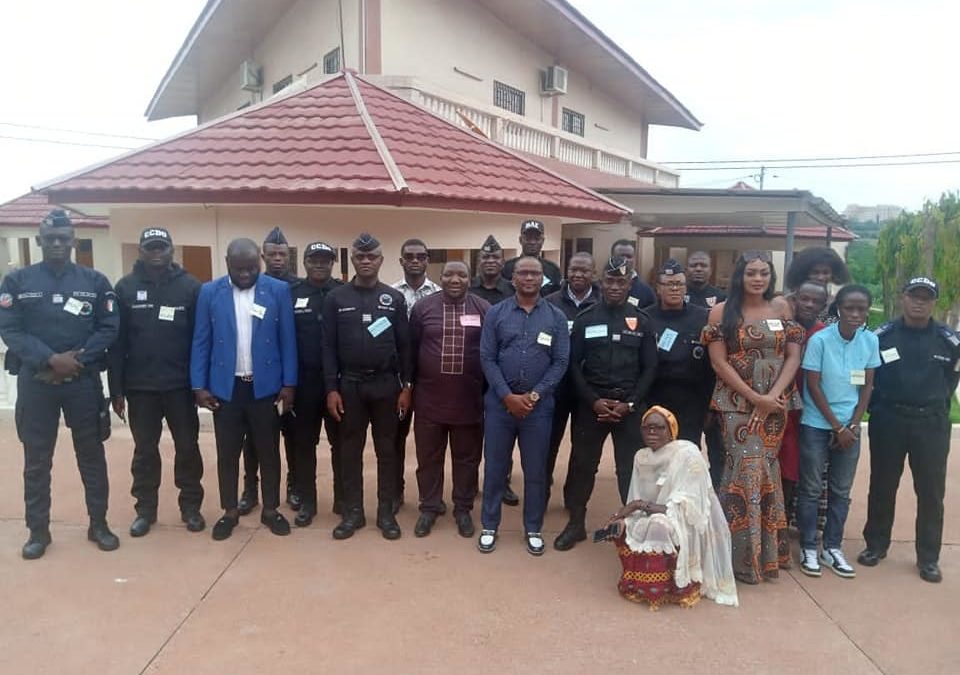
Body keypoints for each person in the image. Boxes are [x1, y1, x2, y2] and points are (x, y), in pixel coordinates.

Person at [0, 209, 120, 559]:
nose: (56, 244)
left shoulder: (94, 282)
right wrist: (50, 360)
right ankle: (38, 531)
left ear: (73, 241)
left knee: (92, 457)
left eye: (63, 239)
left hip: (81, 382)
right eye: (50, 238)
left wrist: (76, 360)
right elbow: (10, 329)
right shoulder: (17, 282)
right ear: (39, 240)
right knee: (36, 460)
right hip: (37, 381)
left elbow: (109, 327)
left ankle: (99, 524)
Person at [701, 250, 803, 584]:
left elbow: (792, 357)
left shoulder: (781, 308)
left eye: (763, 273)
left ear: (771, 276)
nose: (758, 279)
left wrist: (772, 397)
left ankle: (768, 556)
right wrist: (754, 397)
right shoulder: (720, 311)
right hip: (735, 405)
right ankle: (738, 559)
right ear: (739, 276)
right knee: (742, 471)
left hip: (775, 405)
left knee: (766, 472)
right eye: (751, 273)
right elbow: (718, 363)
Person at [191, 238, 297, 541]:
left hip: (265, 389)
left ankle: (271, 510)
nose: (246, 274)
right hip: (226, 389)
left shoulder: (277, 290)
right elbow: (201, 340)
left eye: (252, 268)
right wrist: (199, 385)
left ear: (259, 263)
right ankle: (229, 512)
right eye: (240, 269)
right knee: (227, 453)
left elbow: (287, 339)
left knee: (269, 452)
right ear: (227, 263)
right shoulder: (209, 292)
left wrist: (289, 383)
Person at [859, 277, 959, 583]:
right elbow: (868, 376)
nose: (919, 302)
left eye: (926, 298)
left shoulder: (949, 340)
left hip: (931, 423)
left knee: (931, 492)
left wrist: (935, 403)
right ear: (903, 298)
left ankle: (928, 558)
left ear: (934, 303)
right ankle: (876, 545)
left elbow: (952, 379)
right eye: (914, 296)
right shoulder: (881, 336)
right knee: (882, 485)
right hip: (889, 419)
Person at [553, 256, 657, 551]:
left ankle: (634, 528)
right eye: (609, 281)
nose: (614, 287)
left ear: (629, 284)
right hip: (592, 406)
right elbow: (573, 365)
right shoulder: (587, 318)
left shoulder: (642, 320)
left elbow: (650, 367)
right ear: (602, 282)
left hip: (628, 407)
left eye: (620, 282)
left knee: (630, 469)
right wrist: (594, 401)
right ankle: (576, 524)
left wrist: (632, 403)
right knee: (583, 466)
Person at [108, 227, 204, 537]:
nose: (157, 253)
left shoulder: (190, 287)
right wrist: (116, 390)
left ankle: (190, 507)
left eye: (162, 247)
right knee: (145, 451)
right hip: (141, 388)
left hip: (180, 387)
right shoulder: (124, 288)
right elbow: (117, 343)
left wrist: (199, 384)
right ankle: (145, 511)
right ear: (141, 251)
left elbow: (200, 341)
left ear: (172, 249)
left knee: (187, 448)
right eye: (151, 247)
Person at [601, 406, 738, 609]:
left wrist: (639, 506)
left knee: (658, 525)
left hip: (683, 520)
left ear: (671, 429)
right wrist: (624, 516)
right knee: (619, 526)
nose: (652, 433)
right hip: (652, 512)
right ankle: (636, 583)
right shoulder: (642, 456)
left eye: (659, 428)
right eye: (647, 428)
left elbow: (690, 507)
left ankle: (670, 589)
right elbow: (635, 495)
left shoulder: (687, 453)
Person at [323, 233, 412, 541]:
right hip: (349, 385)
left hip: (386, 385)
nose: (365, 261)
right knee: (350, 451)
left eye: (371, 256)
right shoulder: (336, 298)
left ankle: (386, 513)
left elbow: (405, 347)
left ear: (380, 260)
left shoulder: (393, 299)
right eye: (360, 257)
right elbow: (328, 348)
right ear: (353, 260)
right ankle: (353, 513)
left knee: (387, 450)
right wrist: (331, 389)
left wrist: (407, 387)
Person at [478, 256, 569, 555]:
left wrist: (533, 396)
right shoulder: (496, 313)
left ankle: (533, 527)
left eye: (535, 274)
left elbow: (560, 362)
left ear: (542, 279)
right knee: (495, 467)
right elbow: (487, 358)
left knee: (535, 471)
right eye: (523, 273)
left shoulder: (555, 317)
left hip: (537, 409)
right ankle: (490, 525)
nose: (529, 278)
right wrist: (507, 396)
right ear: (513, 278)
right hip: (499, 406)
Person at [796, 284, 879, 579]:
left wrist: (853, 425)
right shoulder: (820, 340)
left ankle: (832, 547)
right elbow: (813, 385)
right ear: (838, 309)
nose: (856, 314)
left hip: (851, 428)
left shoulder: (870, 341)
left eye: (861, 308)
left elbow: (867, 385)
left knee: (841, 492)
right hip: (817, 425)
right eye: (850, 308)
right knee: (811, 488)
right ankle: (808, 547)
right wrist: (836, 426)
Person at [409, 261, 490, 538]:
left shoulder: (483, 309)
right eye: (448, 274)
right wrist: (408, 388)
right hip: (429, 399)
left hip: (469, 400)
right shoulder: (423, 309)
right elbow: (411, 350)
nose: (455, 279)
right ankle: (429, 507)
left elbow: (491, 354)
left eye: (462, 274)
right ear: (439, 278)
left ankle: (463, 508)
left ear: (470, 278)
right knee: (428, 457)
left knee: (467, 459)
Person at [239, 226, 299, 514]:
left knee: (293, 438)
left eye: (282, 254)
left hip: (289, 379)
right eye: (272, 254)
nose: (277, 258)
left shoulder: (298, 287)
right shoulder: (250, 286)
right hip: (258, 381)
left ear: (289, 256)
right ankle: (250, 489)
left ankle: (292, 486)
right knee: (253, 440)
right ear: (262, 256)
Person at [287, 241, 344, 527]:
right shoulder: (292, 294)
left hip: (337, 385)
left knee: (341, 444)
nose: (319, 265)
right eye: (314, 260)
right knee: (304, 445)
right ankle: (307, 502)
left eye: (325, 260)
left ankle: (342, 500)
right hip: (304, 384)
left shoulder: (343, 292)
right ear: (305, 262)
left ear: (333, 263)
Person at [543, 252, 599, 506]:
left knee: (582, 450)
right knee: (547, 445)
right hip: (555, 388)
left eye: (584, 270)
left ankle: (573, 499)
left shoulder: (602, 304)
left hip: (588, 390)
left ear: (593, 273)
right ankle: (541, 493)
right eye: (574, 269)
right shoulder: (550, 302)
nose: (578, 274)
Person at [391, 239, 441, 514]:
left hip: (431, 381)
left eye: (421, 256)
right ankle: (395, 492)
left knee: (430, 443)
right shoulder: (388, 294)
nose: (415, 261)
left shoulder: (440, 293)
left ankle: (431, 496)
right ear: (401, 261)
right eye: (409, 256)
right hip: (398, 380)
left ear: (427, 260)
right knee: (395, 439)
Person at [646, 260, 713, 444]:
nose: (674, 288)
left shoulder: (703, 317)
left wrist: (709, 405)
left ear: (685, 288)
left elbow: (711, 365)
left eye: (679, 284)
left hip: (692, 401)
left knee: (686, 455)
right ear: (658, 288)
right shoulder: (645, 317)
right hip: (655, 398)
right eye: (669, 284)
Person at [778, 281, 828, 524]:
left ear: (824, 304)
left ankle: (784, 522)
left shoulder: (824, 334)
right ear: (794, 299)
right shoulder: (780, 327)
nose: (808, 304)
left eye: (815, 301)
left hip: (807, 413)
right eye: (804, 299)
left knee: (792, 468)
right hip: (777, 404)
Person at [784, 246, 851, 320]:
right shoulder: (786, 303)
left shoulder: (836, 305)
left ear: (833, 274)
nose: (820, 277)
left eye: (825, 273)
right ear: (803, 274)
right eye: (815, 272)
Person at [501, 220, 562, 296]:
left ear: (543, 241)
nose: (532, 242)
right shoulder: (507, 267)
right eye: (528, 238)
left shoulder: (553, 269)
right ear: (520, 240)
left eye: (537, 239)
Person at [610, 239, 655, 309]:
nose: (625, 260)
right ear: (612, 258)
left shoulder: (646, 291)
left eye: (629, 256)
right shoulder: (601, 288)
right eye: (621, 256)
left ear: (634, 259)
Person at [470, 235, 514, 305]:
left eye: (496, 257)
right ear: (478, 262)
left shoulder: (513, 290)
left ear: (503, 263)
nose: (490, 261)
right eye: (485, 257)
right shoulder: (468, 288)